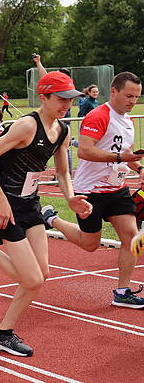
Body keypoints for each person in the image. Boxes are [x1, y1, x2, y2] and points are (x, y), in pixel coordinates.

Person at [0, 71, 92, 357]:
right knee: (31, 280)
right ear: (43, 97)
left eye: (70, 99)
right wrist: (1, 201)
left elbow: (63, 170)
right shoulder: (26, 126)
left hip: (31, 205)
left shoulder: (63, 131)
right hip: (7, 208)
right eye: (60, 99)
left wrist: (71, 198)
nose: (66, 105)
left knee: (41, 274)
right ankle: (1, 334)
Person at [41, 72, 144, 309]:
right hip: (90, 192)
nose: (132, 101)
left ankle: (122, 291)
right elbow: (84, 151)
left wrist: (138, 168)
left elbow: (125, 151)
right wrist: (119, 156)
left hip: (116, 189)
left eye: (136, 97)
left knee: (130, 236)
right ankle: (52, 218)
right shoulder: (98, 116)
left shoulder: (128, 121)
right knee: (90, 244)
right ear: (114, 91)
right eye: (128, 95)